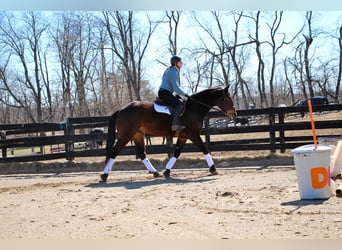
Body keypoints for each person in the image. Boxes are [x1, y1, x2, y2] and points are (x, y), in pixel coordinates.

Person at [158, 55, 189, 131]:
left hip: (165, 92)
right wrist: (185, 94)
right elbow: (176, 87)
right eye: (180, 62)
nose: (181, 63)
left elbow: (174, 88)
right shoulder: (173, 71)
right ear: (175, 63)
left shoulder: (172, 70)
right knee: (180, 104)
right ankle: (175, 125)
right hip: (165, 93)